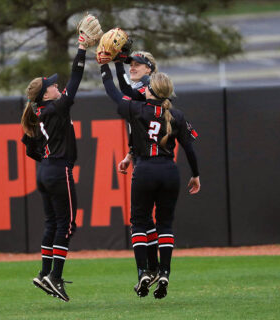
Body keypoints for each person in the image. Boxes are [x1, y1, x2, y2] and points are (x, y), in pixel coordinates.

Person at [99, 63, 201, 299]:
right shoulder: (176, 114)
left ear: (152, 90)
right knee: (164, 224)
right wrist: (195, 175)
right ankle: (164, 272)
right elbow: (189, 149)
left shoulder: (137, 109)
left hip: (145, 169)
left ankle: (144, 271)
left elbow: (113, 92)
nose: (143, 89)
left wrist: (105, 67)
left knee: (138, 223)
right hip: (169, 171)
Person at [20, 41, 87, 302]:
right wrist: (82, 49)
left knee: (52, 223)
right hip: (58, 169)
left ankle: (45, 272)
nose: (57, 86)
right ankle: (54, 277)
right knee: (67, 225)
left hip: (47, 171)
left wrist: (47, 163)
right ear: (45, 95)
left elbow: (29, 149)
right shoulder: (55, 107)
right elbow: (77, 78)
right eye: (52, 85)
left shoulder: (42, 110)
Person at [113, 50, 162, 288]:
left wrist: (110, 66)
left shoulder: (149, 89)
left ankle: (147, 270)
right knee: (147, 219)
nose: (133, 67)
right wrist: (130, 154)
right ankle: (154, 269)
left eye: (138, 64)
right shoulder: (148, 90)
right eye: (131, 63)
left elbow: (123, 92)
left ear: (149, 69)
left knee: (139, 220)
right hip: (148, 159)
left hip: (150, 162)